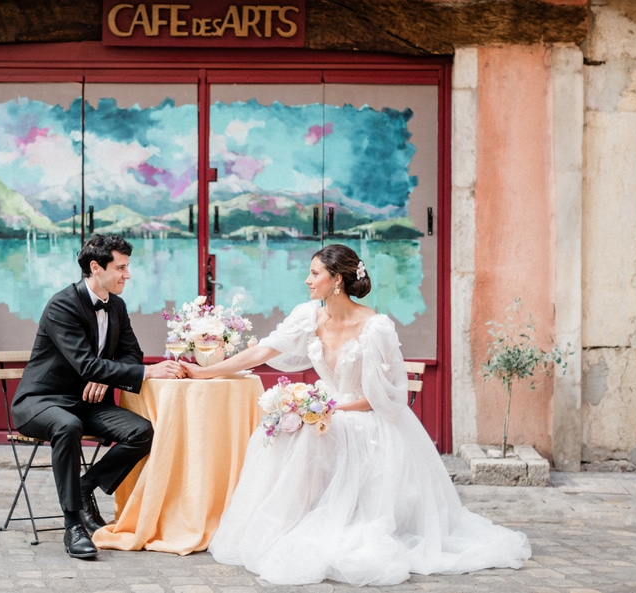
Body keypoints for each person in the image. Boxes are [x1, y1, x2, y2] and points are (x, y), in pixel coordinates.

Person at [181, 244, 531, 586]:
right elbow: (262, 350)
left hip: (367, 418)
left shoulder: (376, 327)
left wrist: (324, 409)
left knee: (309, 432)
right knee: (280, 431)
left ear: (336, 281)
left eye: (314, 273)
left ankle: (331, 522)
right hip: (327, 410)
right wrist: (206, 372)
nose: (307, 279)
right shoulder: (308, 316)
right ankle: (285, 523)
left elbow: (388, 397)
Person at [11, 234, 184, 559]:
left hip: (88, 403)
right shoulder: (62, 304)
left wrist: (105, 380)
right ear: (95, 267)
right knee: (67, 426)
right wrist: (147, 373)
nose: (127, 275)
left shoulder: (116, 306)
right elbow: (86, 364)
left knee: (142, 432)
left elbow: (132, 353)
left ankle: (83, 486)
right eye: (120, 267)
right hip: (41, 402)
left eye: (127, 267)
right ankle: (73, 524)